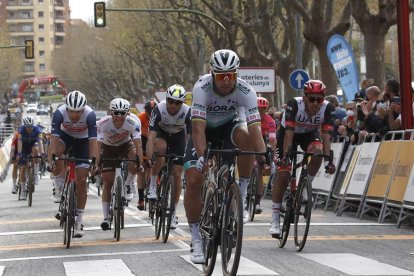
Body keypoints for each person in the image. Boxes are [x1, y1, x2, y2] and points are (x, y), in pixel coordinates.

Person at [183, 49, 265, 264]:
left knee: (247, 139)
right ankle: (196, 238)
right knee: (193, 179)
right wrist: (202, 156)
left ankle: (243, 192)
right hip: (205, 129)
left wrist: (265, 155)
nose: (227, 80)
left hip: (229, 126)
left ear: (237, 73)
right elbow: (198, 130)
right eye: (221, 75)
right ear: (212, 74)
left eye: (231, 74)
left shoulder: (247, 91)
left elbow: (255, 129)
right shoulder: (202, 88)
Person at [269, 80, 336, 236]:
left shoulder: (327, 109)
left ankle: (305, 186)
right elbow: (288, 135)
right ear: (304, 97)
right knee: (284, 173)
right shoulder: (294, 104)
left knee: (318, 152)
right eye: (311, 98)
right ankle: (274, 218)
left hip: (309, 135)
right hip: (287, 135)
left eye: (318, 99)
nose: (315, 103)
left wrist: (328, 161)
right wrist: (285, 157)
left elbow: (326, 137)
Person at [48, 90, 98, 238]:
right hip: (66, 137)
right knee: (56, 154)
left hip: (83, 141)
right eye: (72, 112)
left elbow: (93, 142)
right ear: (66, 108)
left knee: (82, 181)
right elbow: (54, 139)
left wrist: (94, 162)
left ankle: (79, 221)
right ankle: (58, 184)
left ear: (83, 109)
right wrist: (51, 159)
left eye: (78, 112)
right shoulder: (59, 113)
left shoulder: (90, 115)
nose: (75, 115)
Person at [146, 85, 191, 229]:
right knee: (161, 148)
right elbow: (151, 137)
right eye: (170, 101)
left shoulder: (187, 112)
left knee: (177, 174)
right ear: (166, 100)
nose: (173, 105)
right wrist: (149, 158)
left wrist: (190, 156)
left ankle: (172, 213)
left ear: (182, 103)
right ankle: (153, 185)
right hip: (162, 134)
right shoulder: (158, 109)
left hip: (178, 137)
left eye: (177, 102)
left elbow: (191, 138)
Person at [96, 98, 144, 231]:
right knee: (108, 182)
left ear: (128, 113)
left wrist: (140, 163)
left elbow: (138, 144)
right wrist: (96, 162)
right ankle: (106, 218)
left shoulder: (133, 122)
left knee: (134, 157)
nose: (119, 116)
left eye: (122, 113)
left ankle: (128, 184)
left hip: (125, 144)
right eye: (116, 113)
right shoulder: (103, 123)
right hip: (108, 146)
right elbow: (98, 145)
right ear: (111, 113)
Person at [255, 96, 277, 214]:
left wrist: (274, 157)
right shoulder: (249, 117)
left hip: (262, 140)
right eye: (258, 109)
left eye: (263, 109)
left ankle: (257, 201)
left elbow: (272, 140)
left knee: (260, 170)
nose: (260, 112)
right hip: (250, 138)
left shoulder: (270, 121)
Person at [136, 98, 158, 210]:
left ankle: (156, 184)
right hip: (143, 139)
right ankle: (140, 199)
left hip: (155, 139)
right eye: (149, 112)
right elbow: (135, 134)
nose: (151, 115)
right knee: (142, 170)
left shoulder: (159, 116)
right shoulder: (141, 117)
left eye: (153, 112)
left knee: (157, 163)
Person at [16, 116, 44, 199]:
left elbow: (40, 142)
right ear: (25, 126)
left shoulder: (37, 130)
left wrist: (42, 153)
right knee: (23, 168)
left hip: (33, 145)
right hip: (24, 147)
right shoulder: (21, 130)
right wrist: (19, 153)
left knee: (36, 150)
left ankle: (35, 174)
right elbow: (19, 142)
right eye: (28, 126)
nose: (30, 128)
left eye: (31, 126)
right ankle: (23, 190)